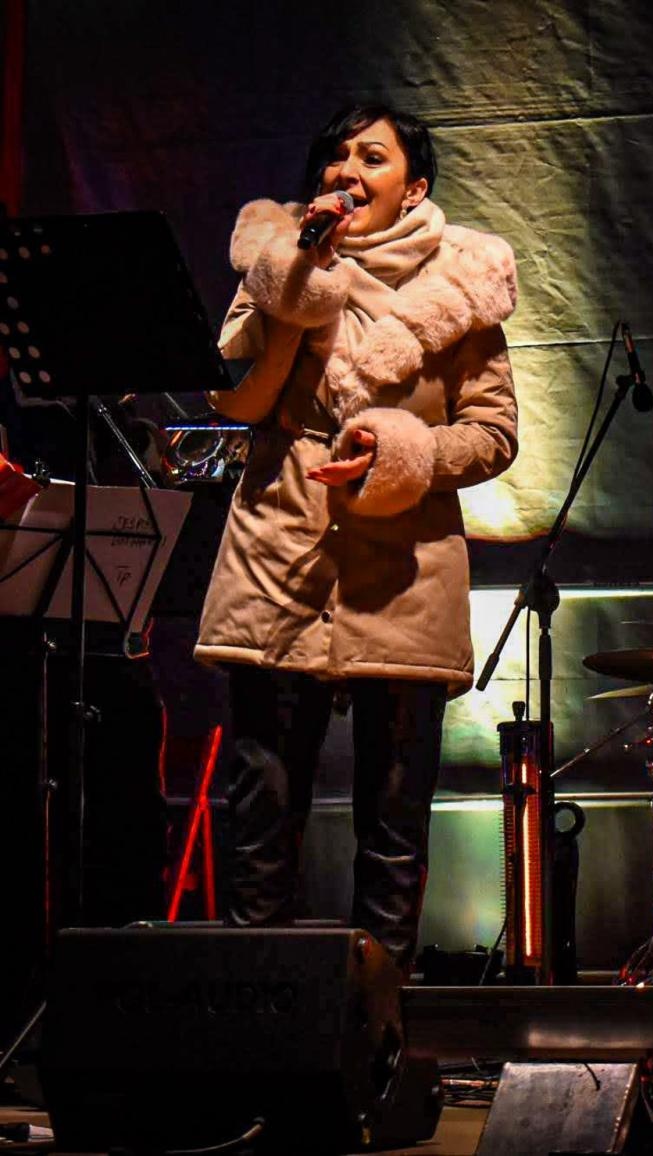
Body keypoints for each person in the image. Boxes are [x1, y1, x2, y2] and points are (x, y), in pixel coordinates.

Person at [194, 105, 520, 974]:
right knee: (263, 801)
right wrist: (302, 281)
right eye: (334, 153)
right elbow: (240, 402)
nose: (347, 168)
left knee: (394, 815)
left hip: (404, 566)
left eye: (371, 156)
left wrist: (407, 451)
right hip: (279, 545)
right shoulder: (274, 258)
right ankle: (257, 1017)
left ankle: (384, 1034)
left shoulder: (463, 281)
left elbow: (494, 432)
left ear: (414, 185)